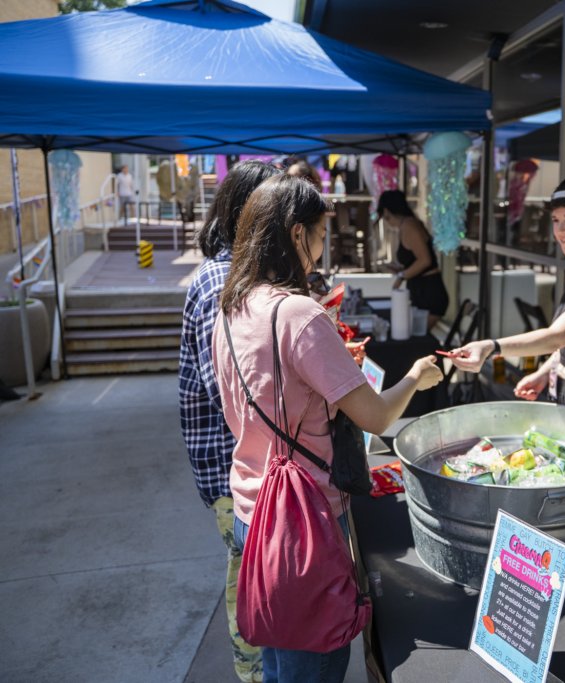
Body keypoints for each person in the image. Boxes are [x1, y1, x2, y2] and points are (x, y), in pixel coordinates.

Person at [211, 174, 442, 682]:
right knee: (311, 666)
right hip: (305, 522)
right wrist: (415, 378)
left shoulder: (230, 309)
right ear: (297, 235)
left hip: (254, 511)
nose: (320, 248)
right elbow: (377, 417)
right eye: (319, 235)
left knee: (278, 660)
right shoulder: (298, 315)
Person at [179, 160, 281, 683]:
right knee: (250, 582)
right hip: (233, 470)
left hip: (241, 465)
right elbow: (232, 394)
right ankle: (255, 674)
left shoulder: (239, 275)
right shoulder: (224, 281)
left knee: (253, 578)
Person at [450, 178, 565, 430]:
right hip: (562, 393)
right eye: (556, 220)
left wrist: (490, 347)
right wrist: (542, 374)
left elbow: (556, 337)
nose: (560, 230)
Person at [379, 189, 450, 330]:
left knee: (413, 339)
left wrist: (401, 276)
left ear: (386, 211)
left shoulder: (409, 225)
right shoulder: (406, 224)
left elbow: (425, 261)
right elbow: (419, 261)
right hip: (422, 291)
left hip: (429, 293)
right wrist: (401, 270)